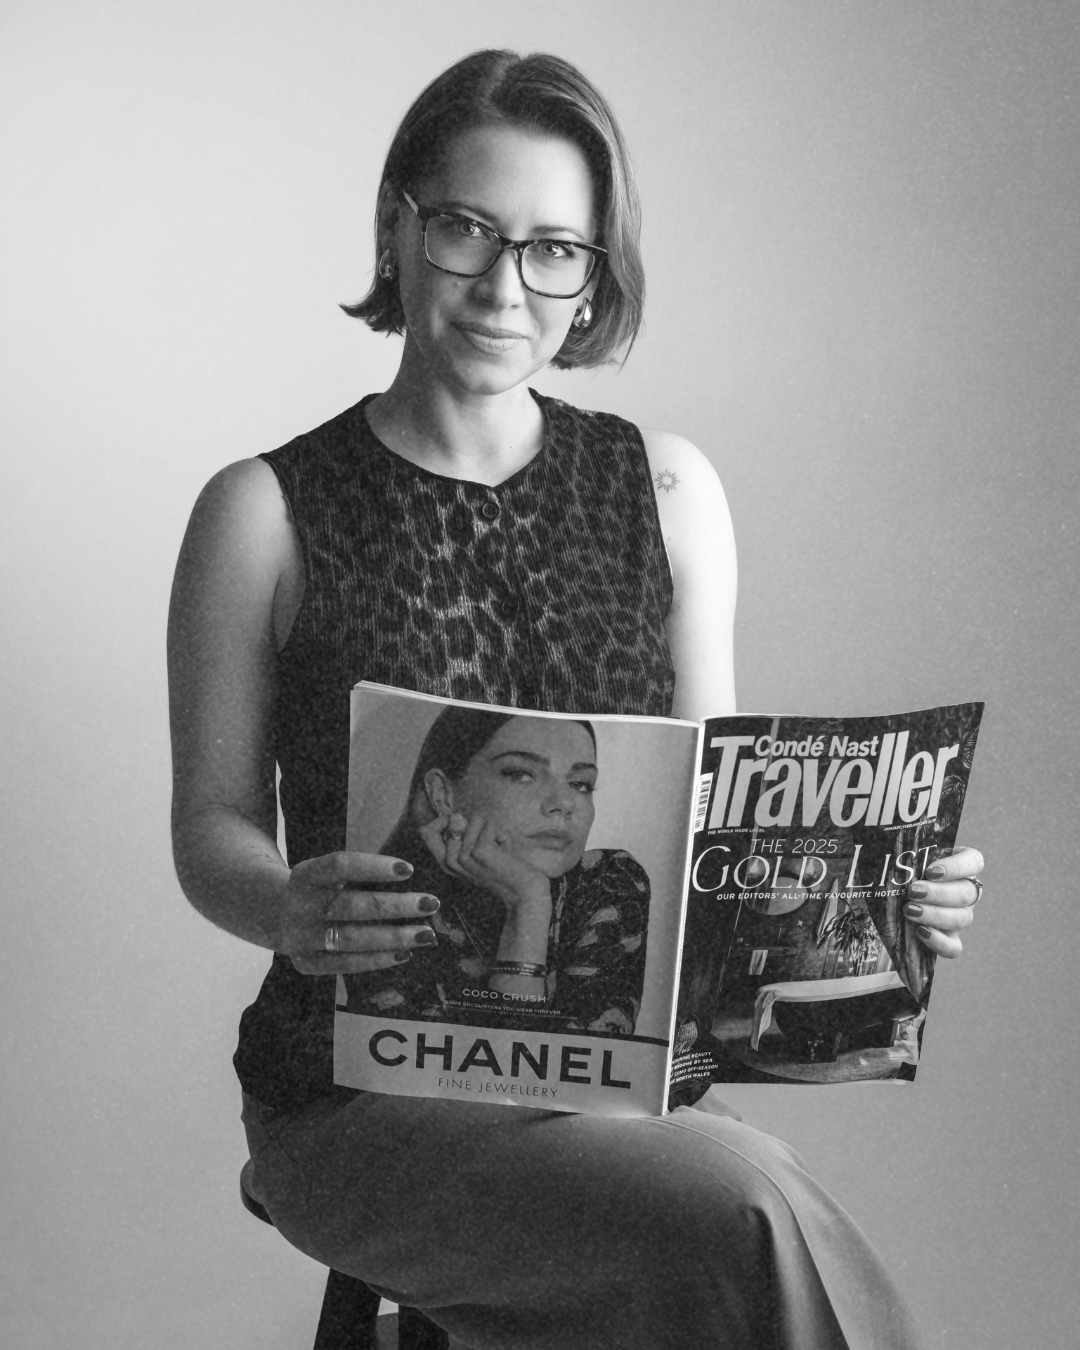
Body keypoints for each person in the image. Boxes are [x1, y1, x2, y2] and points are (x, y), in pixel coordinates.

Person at [168, 48, 985, 1349]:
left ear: (594, 270)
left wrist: (886, 900)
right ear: (401, 224)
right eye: (467, 231)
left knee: (728, 1235)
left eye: (554, 248)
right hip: (354, 1091)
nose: (505, 287)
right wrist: (288, 903)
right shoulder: (260, 510)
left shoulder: (667, 492)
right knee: (753, 1211)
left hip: (608, 1088)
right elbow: (210, 825)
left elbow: (722, 827)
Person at [343, 706, 652, 1036]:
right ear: (444, 795)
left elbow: (581, 1071)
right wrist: (527, 904)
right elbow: (443, 1076)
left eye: (579, 784)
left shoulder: (608, 881)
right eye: (520, 774)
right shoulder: (383, 904)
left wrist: (528, 903)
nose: (563, 802)